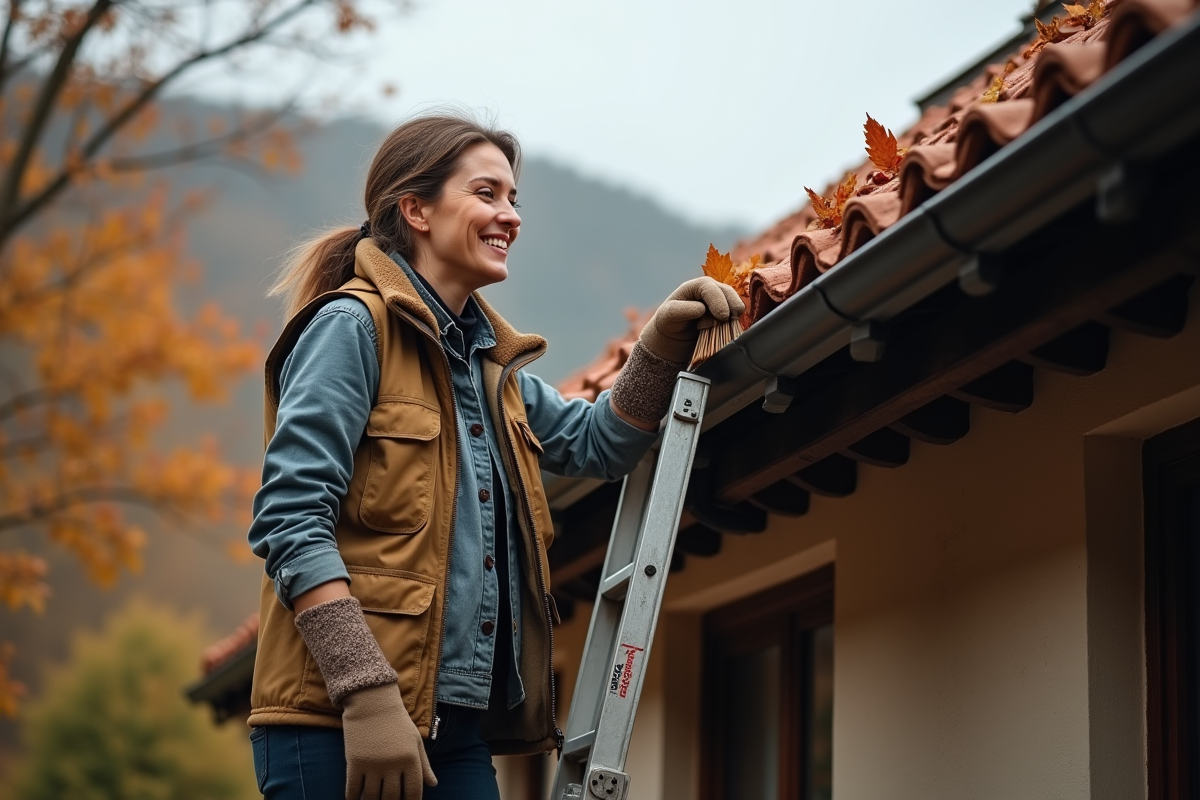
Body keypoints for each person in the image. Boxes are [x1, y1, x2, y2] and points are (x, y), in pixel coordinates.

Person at [245, 113, 743, 800]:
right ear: (416, 210)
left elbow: (599, 442)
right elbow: (291, 519)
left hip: (456, 728)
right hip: (335, 721)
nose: (510, 215)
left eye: (513, 199)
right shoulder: (350, 328)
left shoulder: (490, 371)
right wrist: (367, 694)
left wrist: (658, 345)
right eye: (487, 193)